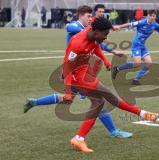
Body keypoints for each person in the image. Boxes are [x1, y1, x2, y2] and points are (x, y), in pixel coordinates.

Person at [24, 5, 133, 139]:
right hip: (72, 71)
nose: (92, 18)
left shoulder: (91, 30)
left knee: (69, 99)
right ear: (80, 15)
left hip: (80, 71)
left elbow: (98, 44)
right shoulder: (76, 27)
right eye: (90, 15)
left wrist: (109, 55)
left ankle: (35, 102)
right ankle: (113, 132)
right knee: (98, 101)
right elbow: (70, 28)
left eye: (98, 14)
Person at [64, 17, 159, 152]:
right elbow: (67, 67)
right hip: (76, 76)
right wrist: (68, 91)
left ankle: (79, 139)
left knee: (98, 103)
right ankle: (143, 114)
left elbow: (95, 46)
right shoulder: (77, 42)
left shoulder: (94, 35)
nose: (106, 37)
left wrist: (106, 60)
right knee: (109, 97)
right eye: (105, 34)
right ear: (96, 31)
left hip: (84, 73)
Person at [112, 10, 159, 85]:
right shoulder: (142, 22)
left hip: (142, 46)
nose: (152, 17)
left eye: (154, 16)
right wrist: (119, 26)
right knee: (137, 64)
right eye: (151, 16)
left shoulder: (155, 25)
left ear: (155, 17)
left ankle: (136, 79)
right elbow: (129, 24)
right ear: (148, 16)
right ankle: (117, 68)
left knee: (149, 63)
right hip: (136, 45)